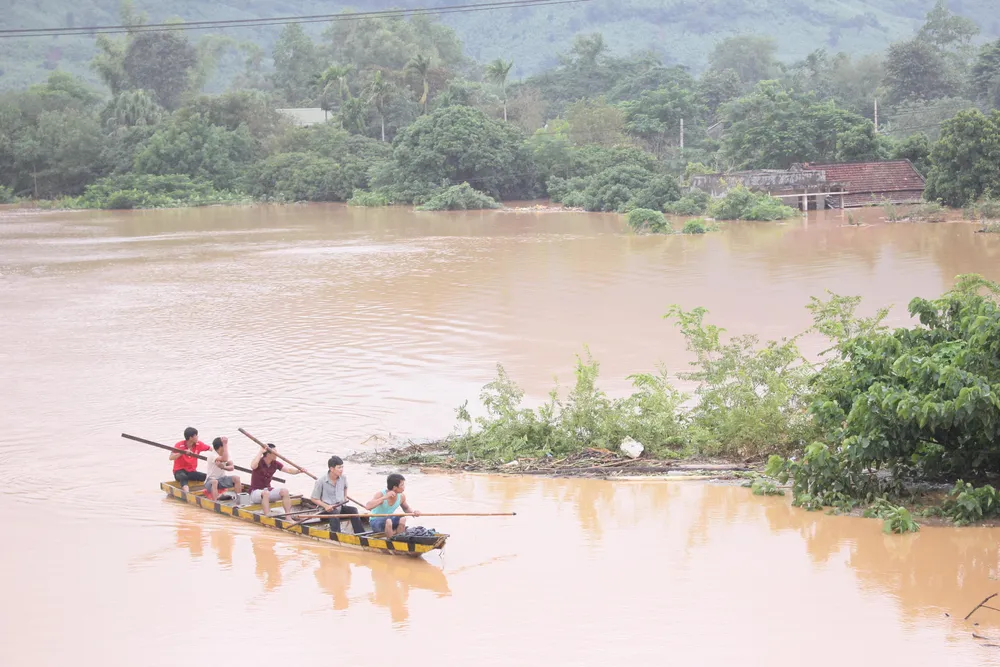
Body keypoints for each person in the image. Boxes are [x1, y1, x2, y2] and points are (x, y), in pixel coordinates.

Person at [311, 456, 364, 534]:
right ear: (332, 469)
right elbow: (314, 498)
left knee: (353, 510)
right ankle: (337, 535)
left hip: (339, 507)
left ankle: (360, 534)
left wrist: (344, 497)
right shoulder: (321, 481)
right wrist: (326, 506)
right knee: (334, 513)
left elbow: (345, 487)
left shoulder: (343, 478)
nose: (341, 470)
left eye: (342, 467)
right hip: (325, 511)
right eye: (339, 468)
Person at [249, 443, 302, 515]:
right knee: (265, 493)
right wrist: (260, 451)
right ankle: (268, 516)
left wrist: (298, 471)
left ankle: (288, 516)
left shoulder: (275, 463)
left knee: (285, 491)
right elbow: (253, 466)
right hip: (255, 493)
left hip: (267, 490)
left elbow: (288, 470)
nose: (277, 454)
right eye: (274, 453)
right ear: (268, 454)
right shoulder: (258, 461)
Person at [365, 473, 420, 539]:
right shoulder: (381, 494)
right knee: (388, 521)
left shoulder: (401, 496)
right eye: (402, 485)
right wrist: (384, 497)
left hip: (389, 520)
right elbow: (368, 506)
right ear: (394, 487)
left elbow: (406, 508)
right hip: (376, 521)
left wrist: (413, 513)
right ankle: (390, 541)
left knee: (403, 518)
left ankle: (400, 539)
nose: (404, 487)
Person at [170, 427, 210, 492]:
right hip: (179, 471)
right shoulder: (179, 445)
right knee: (183, 477)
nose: (197, 437)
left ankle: (213, 490)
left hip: (191, 472)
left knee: (206, 477)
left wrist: (218, 457)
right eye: (196, 435)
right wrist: (182, 452)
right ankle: (187, 493)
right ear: (191, 438)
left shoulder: (199, 444)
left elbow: (211, 449)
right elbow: (171, 457)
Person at [205, 436, 242, 500]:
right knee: (215, 482)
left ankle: (239, 500)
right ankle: (215, 502)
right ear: (220, 447)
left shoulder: (226, 454)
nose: (226, 448)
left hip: (222, 479)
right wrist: (225, 444)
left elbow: (232, 467)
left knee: (237, 478)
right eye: (224, 446)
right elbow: (224, 459)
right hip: (210, 481)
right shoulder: (212, 455)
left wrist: (223, 467)